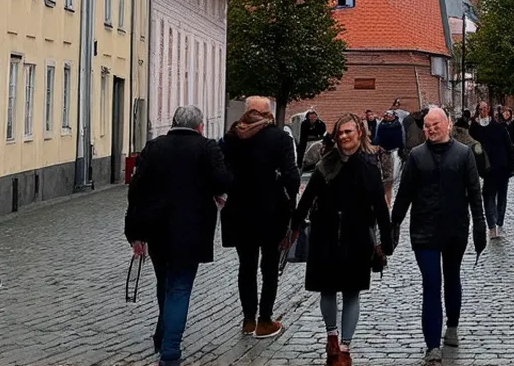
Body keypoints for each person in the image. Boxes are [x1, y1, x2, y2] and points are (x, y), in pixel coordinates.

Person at [125, 106, 233, 365]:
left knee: (164, 283)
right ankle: (170, 351)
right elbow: (223, 181)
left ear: (173, 123)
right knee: (180, 288)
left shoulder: (154, 147)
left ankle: (163, 334)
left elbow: (136, 190)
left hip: (156, 229)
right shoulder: (206, 148)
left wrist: (134, 231)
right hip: (192, 230)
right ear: (200, 127)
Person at [292, 114, 393, 366]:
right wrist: (293, 228)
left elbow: (380, 208)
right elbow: (307, 199)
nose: (344, 136)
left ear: (359, 133)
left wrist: (386, 241)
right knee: (326, 289)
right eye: (340, 133)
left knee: (351, 292)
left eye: (349, 131)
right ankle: (332, 336)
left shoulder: (369, 168)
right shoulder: (326, 164)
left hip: (356, 238)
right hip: (324, 235)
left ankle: (345, 348)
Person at [391, 107, 487, 366]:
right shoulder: (417, 156)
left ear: (447, 125)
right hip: (424, 230)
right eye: (427, 125)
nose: (431, 129)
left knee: (452, 277)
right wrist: (394, 223)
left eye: (436, 124)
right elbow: (404, 194)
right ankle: (432, 345)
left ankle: (452, 325)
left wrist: (480, 224)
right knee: (431, 283)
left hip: (455, 228)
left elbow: (474, 192)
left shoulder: (464, 154)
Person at [221, 96, 299, 339]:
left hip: (239, 210)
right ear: (267, 113)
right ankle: (265, 320)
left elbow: (222, 173)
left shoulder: (231, 137)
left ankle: (248, 319)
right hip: (271, 210)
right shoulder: (279, 138)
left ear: (246, 112)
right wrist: (292, 199)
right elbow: (291, 174)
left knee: (246, 265)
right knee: (269, 265)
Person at [478, 108, 514, 238]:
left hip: (490, 170)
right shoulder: (501, 129)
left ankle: (492, 226)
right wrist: (511, 164)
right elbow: (510, 148)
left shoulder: (482, 131)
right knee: (501, 196)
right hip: (502, 168)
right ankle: (498, 222)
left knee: (489, 196)